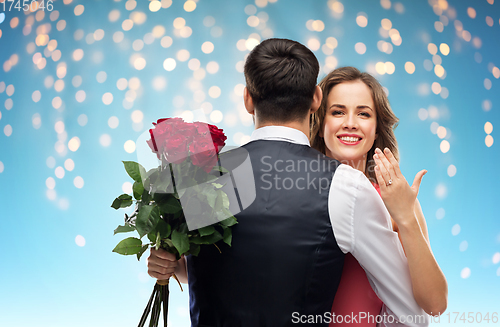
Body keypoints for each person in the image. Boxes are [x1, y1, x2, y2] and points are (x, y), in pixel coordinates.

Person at [147, 38, 429, 327]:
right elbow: (413, 313)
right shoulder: (348, 186)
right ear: (317, 99)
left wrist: (169, 264)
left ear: (247, 99)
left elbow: (207, 272)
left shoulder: (205, 175)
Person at [310, 66, 447, 326]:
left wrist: (406, 217)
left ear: (376, 128)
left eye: (363, 113)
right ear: (319, 124)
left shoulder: (397, 199)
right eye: (338, 112)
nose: (350, 122)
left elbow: (435, 304)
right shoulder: (299, 192)